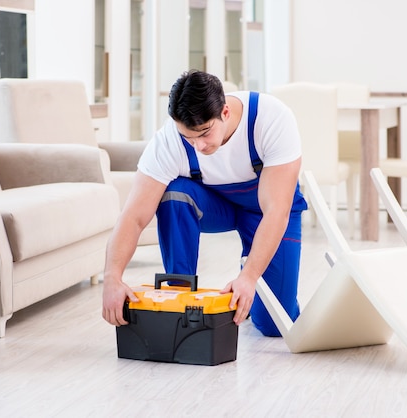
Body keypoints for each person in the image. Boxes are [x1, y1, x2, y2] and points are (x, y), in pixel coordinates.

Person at [102, 70, 307, 336]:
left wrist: (249, 277)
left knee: (275, 325)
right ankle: (179, 297)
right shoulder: (168, 142)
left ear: (224, 112)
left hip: (269, 212)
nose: (198, 145)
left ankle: (259, 281)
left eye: (204, 133)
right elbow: (133, 217)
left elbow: (276, 212)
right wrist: (111, 278)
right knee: (174, 194)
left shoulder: (271, 118)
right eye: (189, 137)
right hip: (218, 206)